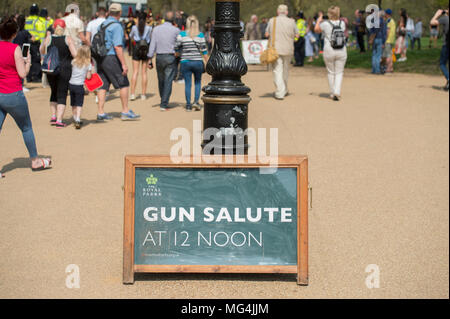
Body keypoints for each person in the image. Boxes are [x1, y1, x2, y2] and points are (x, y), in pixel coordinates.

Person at [0, 17, 52, 178]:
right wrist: (27, 62)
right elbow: (22, 74)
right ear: (14, 33)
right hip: (13, 93)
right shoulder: (15, 48)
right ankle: (35, 160)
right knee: (26, 127)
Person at [96, 3, 140, 121]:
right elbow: (118, 47)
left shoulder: (102, 25)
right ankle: (125, 111)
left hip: (101, 58)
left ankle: (100, 113)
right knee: (124, 83)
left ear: (109, 12)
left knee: (103, 84)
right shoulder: (117, 26)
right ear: (120, 13)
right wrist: (124, 64)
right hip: (112, 57)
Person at [40, 19, 77, 128]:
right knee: (62, 93)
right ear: (64, 28)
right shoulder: (68, 39)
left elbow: (41, 50)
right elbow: (75, 54)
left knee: (53, 92)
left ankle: (53, 116)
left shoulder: (49, 38)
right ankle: (60, 120)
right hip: (64, 69)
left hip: (51, 69)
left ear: (54, 27)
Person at [147, 11, 181, 111]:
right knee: (168, 80)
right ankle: (164, 103)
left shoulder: (156, 29)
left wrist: (149, 59)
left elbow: (152, 44)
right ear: (173, 20)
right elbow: (179, 44)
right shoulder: (176, 30)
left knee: (161, 80)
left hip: (159, 57)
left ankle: (163, 99)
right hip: (170, 56)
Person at [265, 5, 299, 100]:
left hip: (275, 49)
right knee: (286, 70)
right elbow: (297, 34)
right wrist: (292, 39)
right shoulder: (292, 21)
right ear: (286, 12)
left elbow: (266, 34)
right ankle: (285, 89)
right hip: (288, 49)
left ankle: (280, 92)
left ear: (277, 12)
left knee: (277, 70)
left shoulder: (272, 20)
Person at [175, 15, 208, 111]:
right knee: (198, 83)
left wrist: (177, 53)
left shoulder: (182, 34)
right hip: (198, 62)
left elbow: (176, 46)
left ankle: (188, 105)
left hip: (185, 62)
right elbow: (204, 51)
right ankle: (196, 102)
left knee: (188, 84)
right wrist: (207, 62)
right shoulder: (200, 35)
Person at [314, 6, 347, 101]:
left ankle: (332, 93)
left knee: (331, 72)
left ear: (329, 14)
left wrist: (318, 20)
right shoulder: (343, 23)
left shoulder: (325, 24)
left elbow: (316, 30)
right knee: (339, 72)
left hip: (329, 50)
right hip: (341, 50)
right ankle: (337, 91)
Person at [129, 12, 152, 101]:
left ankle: (132, 94)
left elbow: (131, 36)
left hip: (136, 49)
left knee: (135, 72)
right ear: (146, 19)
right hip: (145, 49)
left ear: (138, 19)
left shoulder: (134, 27)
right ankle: (143, 95)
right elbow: (150, 39)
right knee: (144, 73)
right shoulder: (149, 28)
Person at [69, 45, 92, 129]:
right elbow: (88, 77)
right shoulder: (88, 64)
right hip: (79, 85)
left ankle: (75, 117)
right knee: (79, 103)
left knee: (73, 103)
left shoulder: (73, 61)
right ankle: (78, 119)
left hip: (71, 84)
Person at [24, 4, 45, 83]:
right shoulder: (38, 21)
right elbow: (41, 34)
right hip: (35, 43)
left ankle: (28, 76)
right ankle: (36, 77)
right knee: (36, 60)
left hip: (26, 42)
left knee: (27, 59)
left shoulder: (27, 20)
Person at [430, 8, 449, 91]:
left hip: (447, 45)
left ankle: (448, 79)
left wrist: (437, 14)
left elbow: (432, 22)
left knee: (442, 63)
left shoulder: (446, 18)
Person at [368, 10, 386, 74]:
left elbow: (371, 31)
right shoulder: (382, 22)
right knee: (378, 55)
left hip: (374, 39)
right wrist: (384, 42)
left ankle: (373, 70)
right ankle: (378, 70)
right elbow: (384, 33)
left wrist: (370, 39)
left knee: (374, 55)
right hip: (380, 39)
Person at [382, 9, 396, 74]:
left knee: (387, 55)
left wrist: (384, 40)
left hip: (388, 40)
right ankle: (391, 68)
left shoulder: (388, 21)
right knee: (390, 54)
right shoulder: (393, 21)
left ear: (387, 14)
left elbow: (387, 31)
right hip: (392, 40)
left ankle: (388, 69)